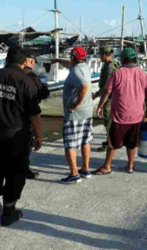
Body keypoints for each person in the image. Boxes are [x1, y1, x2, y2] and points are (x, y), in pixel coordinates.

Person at [0, 46, 42, 226]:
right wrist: (38, 136)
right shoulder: (26, 82)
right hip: (17, 136)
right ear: (23, 62)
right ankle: (8, 211)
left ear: (6, 59)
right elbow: (34, 114)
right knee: (15, 173)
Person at [93, 47, 147, 175]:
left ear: (123, 59)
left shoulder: (117, 73)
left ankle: (107, 166)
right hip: (137, 115)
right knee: (132, 143)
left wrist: (100, 106)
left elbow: (107, 91)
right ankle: (130, 166)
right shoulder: (143, 74)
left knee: (112, 143)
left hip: (120, 115)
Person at [51, 46, 93, 184]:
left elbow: (84, 86)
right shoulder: (84, 67)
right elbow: (69, 64)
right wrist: (57, 60)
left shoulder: (76, 71)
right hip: (87, 112)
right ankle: (85, 169)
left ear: (74, 57)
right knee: (85, 141)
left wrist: (76, 104)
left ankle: (74, 174)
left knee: (70, 144)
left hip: (75, 114)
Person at [21, 48, 50, 179]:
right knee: (25, 146)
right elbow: (44, 93)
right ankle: (24, 170)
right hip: (26, 116)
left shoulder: (8, 73)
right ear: (30, 61)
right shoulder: (31, 76)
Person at [92, 46, 119, 151]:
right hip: (110, 97)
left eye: (100, 55)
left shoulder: (110, 67)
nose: (100, 57)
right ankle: (110, 140)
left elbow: (107, 87)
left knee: (108, 120)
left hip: (110, 98)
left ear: (104, 54)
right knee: (108, 120)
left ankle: (110, 143)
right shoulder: (109, 65)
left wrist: (99, 97)